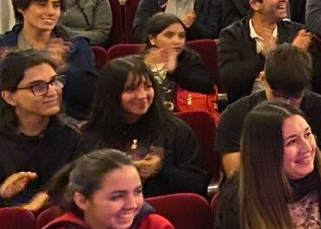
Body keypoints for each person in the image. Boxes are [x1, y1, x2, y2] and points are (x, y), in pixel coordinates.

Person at [214, 101, 321, 229]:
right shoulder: (237, 199)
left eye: (307, 134)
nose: (307, 147)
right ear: (266, 153)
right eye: (291, 141)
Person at [75, 56, 208, 197]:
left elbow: (199, 183)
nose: (142, 95)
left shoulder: (175, 129)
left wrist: (161, 170)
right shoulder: (93, 136)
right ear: (111, 94)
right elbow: (81, 187)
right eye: (131, 89)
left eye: (147, 86)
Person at [214, 44, 321, 177]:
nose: (286, 105)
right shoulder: (234, 116)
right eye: (278, 96)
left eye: (295, 97)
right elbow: (236, 175)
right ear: (262, 79)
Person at [219, 0, 321, 104]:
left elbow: (318, 80)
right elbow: (232, 82)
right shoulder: (232, 36)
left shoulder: (299, 33)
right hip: (252, 109)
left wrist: (290, 53)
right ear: (255, 4)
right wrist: (269, 54)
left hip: (297, 106)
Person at [2, 0, 98, 121]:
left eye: (56, 6)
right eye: (41, 4)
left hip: (70, 122)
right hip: (10, 124)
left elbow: (88, 97)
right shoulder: (3, 47)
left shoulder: (76, 46)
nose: (51, 12)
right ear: (21, 8)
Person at [0, 51, 78, 211]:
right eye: (38, 87)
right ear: (9, 97)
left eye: (54, 82)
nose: (52, 91)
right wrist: (2, 193)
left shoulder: (71, 138)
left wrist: (47, 197)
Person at [42, 149, 174, 229]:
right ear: (82, 201)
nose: (132, 204)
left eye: (137, 192)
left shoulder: (156, 226)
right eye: (117, 197)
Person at [138, 13, 215, 112]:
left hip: (180, 115)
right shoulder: (138, 62)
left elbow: (207, 86)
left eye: (181, 36)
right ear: (152, 39)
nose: (177, 41)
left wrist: (175, 71)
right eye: (169, 35)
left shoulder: (189, 58)